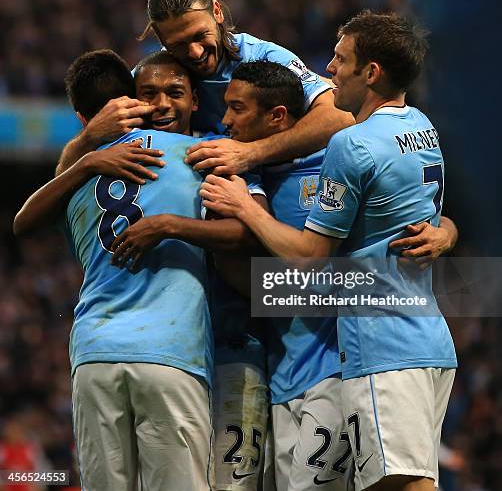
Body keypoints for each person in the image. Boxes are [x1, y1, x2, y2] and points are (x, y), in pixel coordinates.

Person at [117, 59, 457, 491]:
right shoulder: (241, 174)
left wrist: (445, 232)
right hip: (277, 373)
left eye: (238, 109)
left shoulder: (333, 164)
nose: (225, 122)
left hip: (336, 369)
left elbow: (330, 267)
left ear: (276, 116)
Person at [199, 11, 458, 491]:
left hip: (382, 343)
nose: (329, 70)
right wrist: (447, 233)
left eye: (341, 60)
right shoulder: (422, 126)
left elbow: (310, 259)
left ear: (371, 72)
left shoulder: (350, 145)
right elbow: (428, 215)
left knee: (402, 484)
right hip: (426, 335)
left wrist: (245, 208)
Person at [15, 49, 269, 491]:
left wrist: (85, 156)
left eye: (173, 92)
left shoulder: (77, 176)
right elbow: (249, 234)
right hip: (171, 354)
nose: (163, 104)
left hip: (94, 353)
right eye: (150, 94)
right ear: (131, 101)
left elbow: (25, 223)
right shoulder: (204, 155)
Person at [55, 0, 354, 176]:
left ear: (217, 12)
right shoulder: (153, 81)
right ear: (161, 40)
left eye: (200, 36)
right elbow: (66, 174)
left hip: (296, 188)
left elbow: (340, 117)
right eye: (179, 45)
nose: (196, 53)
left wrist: (249, 154)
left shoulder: (264, 57)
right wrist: (88, 138)